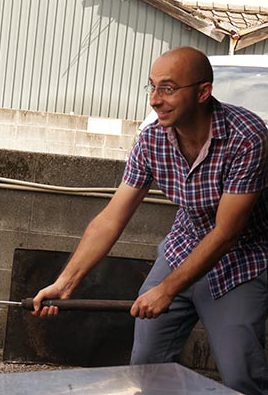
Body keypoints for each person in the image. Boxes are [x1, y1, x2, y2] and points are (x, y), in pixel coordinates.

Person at [32, 47, 268, 395]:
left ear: (203, 92)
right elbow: (111, 218)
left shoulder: (248, 137)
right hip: (183, 247)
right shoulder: (151, 139)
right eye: (152, 87)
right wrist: (66, 283)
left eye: (168, 88)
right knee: (146, 367)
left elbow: (226, 233)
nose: (155, 100)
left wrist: (166, 290)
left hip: (241, 261)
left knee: (240, 375)